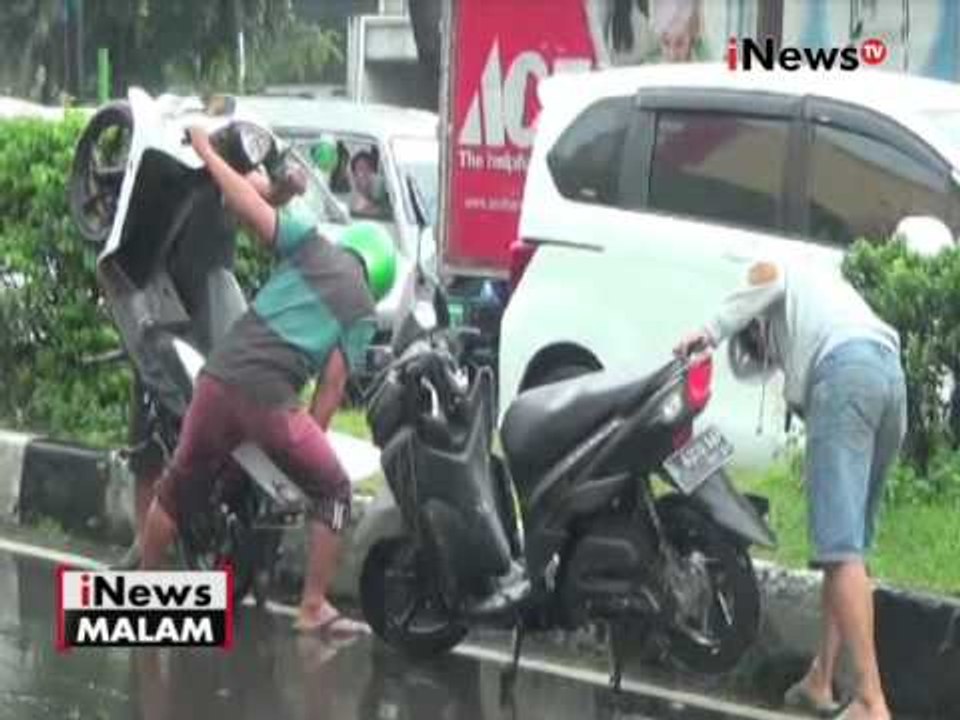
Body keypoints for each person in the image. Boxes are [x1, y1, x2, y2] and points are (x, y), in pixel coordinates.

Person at [137, 126, 397, 636]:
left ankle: (147, 598)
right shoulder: (363, 308)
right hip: (269, 400)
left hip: (216, 379)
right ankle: (313, 606)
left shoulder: (311, 244)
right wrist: (307, 452)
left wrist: (209, 152)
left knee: (174, 491)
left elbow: (249, 206)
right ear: (380, 276)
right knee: (336, 491)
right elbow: (330, 390)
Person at [676, 258, 906, 720]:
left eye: (764, 352)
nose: (771, 360)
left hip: (844, 376)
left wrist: (708, 331)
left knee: (840, 550)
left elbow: (766, 281)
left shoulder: (776, 272)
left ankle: (869, 700)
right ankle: (821, 679)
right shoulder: (825, 293)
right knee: (849, 549)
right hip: (888, 377)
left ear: (757, 326)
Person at [349, 149, 390, 219]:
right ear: (354, 176)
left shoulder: (385, 201)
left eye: (369, 168)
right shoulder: (350, 204)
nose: (365, 173)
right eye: (361, 169)